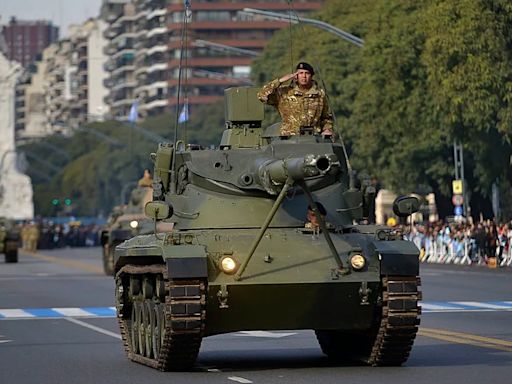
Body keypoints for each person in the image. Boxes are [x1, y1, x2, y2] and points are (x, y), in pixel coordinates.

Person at [257, 62, 334, 137]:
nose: (304, 76)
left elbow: (326, 117)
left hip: (313, 138)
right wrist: (280, 81)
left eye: (307, 73)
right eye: (300, 73)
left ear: (311, 76)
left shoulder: (319, 94)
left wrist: (327, 129)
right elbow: (261, 95)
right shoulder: (285, 93)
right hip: (289, 138)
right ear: (296, 76)